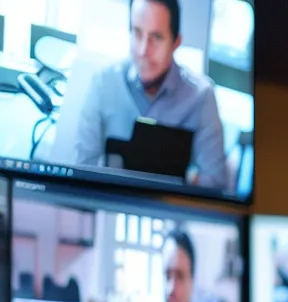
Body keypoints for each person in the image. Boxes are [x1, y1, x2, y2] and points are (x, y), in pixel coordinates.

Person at [65, 0, 230, 191]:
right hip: (108, 208)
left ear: (176, 42)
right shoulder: (103, 83)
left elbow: (215, 183)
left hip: (171, 212)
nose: (143, 50)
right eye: (137, 33)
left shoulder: (201, 96)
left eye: (156, 37)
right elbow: (82, 168)